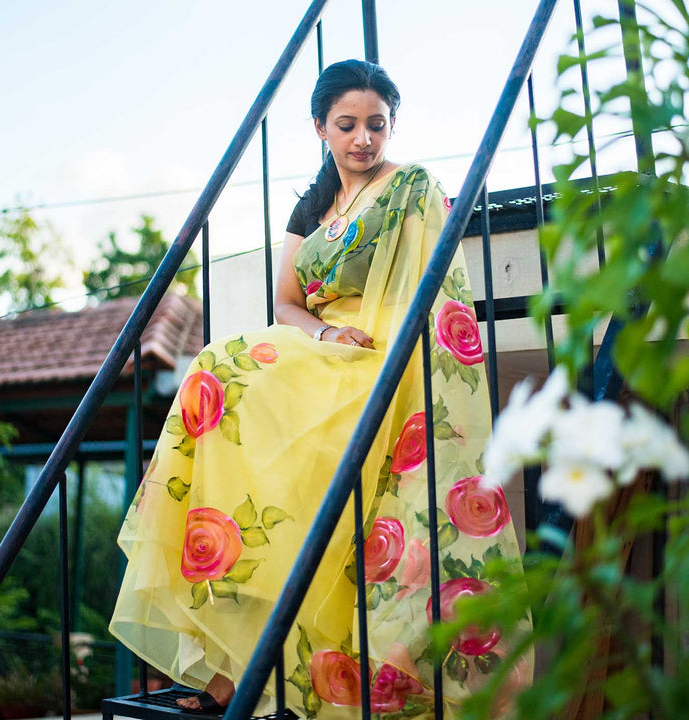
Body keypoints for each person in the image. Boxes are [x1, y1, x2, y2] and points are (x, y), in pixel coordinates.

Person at [110, 59, 529, 719]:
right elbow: (287, 305)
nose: (363, 138)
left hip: (385, 359)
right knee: (215, 373)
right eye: (347, 124)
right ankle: (230, 662)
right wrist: (328, 336)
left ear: (391, 125)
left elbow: (428, 289)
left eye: (376, 124)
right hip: (328, 350)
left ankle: (245, 674)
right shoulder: (309, 206)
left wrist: (362, 342)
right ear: (320, 128)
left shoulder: (411, 187)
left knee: (228, 375)